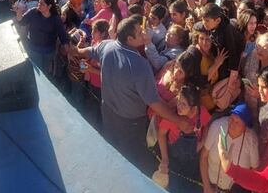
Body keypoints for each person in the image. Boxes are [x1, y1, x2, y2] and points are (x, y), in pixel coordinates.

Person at [75, 15, 189, 175]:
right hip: (130, 125)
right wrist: (179, 120)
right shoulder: (140, 65)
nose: (144, 32)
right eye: (139, 31)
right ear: (130, 39)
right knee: (129, 160)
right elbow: (154, 103)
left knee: (111, 148)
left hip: (107, 113)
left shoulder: (107, 45)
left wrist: (77, 50)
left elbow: (90, 51)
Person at [200, 103, 259, 193]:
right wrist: (206, 189)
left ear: (245, 127)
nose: (232, 124)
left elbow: (254, 172)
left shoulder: (251, 140)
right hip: (211, 190)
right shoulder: (217, 127)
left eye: (237, 122)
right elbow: (203, 157)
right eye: (231, 119)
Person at [16, 0, 69, 74]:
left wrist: (67, 48)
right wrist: (18, 12)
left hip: (49, 50)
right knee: (36, 71)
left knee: (45, 71)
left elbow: (62, 34)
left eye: (42, 4)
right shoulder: (33, 12)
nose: (39, 5)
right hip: (34, 49)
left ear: (49, 6)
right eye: (39, 3)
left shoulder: (55, 18)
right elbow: (22, 21)